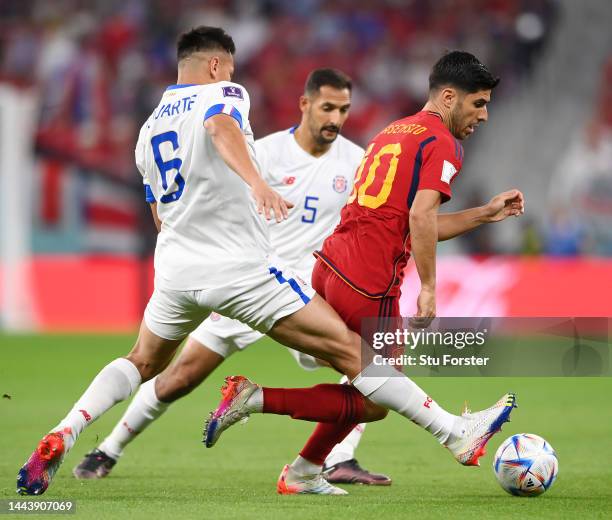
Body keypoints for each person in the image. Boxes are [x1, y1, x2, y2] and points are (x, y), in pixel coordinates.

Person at [16, 29, 516, 499]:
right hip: (242, 269)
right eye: (228, 68)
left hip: (175, 269)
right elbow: (220, 127)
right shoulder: (224, 94)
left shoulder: (149, 128)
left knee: (142, 362)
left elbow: (157, 211)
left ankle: (67, 429)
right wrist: (257, 182)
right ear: (217, 65)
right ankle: (453, 433)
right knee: (355, 355)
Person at [203, 51, 525, 495]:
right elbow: (421, 215)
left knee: (372, 393)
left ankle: (302, 470)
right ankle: (454, 433)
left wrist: (483, 215)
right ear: (449, 97)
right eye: (478, 103)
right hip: (369, 279)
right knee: (379, 391)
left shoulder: (392, 132)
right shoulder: (444, 143)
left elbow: (415, 220)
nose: (484, 115)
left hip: (332, 265)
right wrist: (428, 288)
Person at [72, 68, 391, 487]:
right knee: (179, 377)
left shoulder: (356, 161)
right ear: (305, 104)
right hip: (251, 281)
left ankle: (339, 458)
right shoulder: (266, 153)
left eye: (344, 110)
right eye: (328, 107)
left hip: (310, 290)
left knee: (364, 363)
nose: (335, 118)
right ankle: (107, 449)